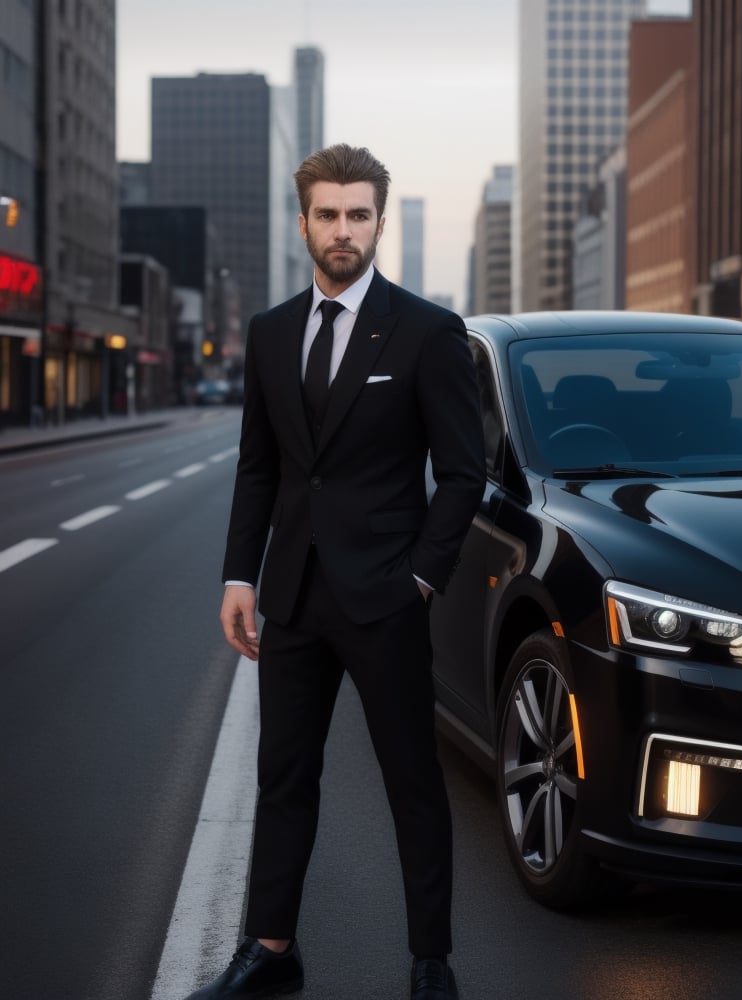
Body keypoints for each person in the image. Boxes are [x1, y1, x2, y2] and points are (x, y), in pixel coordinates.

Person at [185, 143, 485, 1000]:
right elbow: (261, 466)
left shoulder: (428, 332)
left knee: (412, 787)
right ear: (305, 220)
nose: (342, 229)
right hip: (292, 598)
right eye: (328, 214)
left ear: (379, 223)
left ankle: (432, 961)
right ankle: (271, 952)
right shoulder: (271, 332)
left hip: (385, 599)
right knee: (282, 778)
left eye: (358, 214)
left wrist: (420, 578)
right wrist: (239, 575)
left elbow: (461, 474)